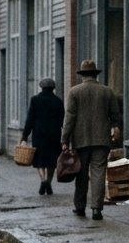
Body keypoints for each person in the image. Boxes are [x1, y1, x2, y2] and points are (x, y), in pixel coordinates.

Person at [60, 60, 122, 220]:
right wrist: (116, 128)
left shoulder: (74, 92)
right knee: (98, 173)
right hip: (102, 139)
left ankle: (80, 207)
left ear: (82, 75)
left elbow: (70, 117)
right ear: (95, 74)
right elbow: (115, 115)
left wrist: (65, 138)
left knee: (81, 174)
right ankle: (96, 209)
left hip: (80, 140)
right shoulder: (107, 91)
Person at [21, 77, 65, 195]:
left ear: (41, 87)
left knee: (40, 160)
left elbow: (30, 119)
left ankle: (43, 180)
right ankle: (49, 183)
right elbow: (62, 120)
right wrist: (65, 136)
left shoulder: (35, 100)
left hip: (39, 134)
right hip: (54, 135)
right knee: (52, 161)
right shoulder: (58, 101)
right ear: (53, 88)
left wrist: (24, 137)